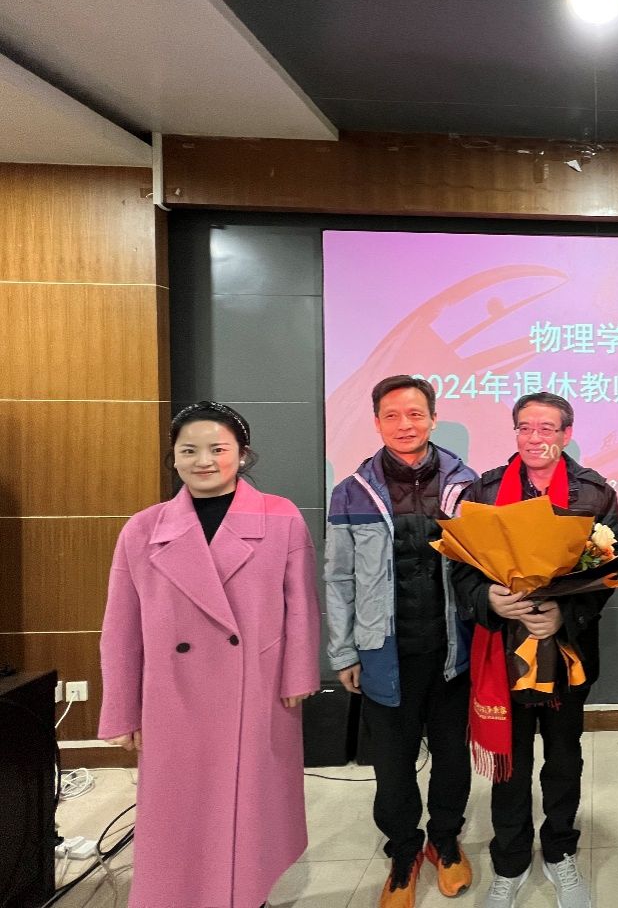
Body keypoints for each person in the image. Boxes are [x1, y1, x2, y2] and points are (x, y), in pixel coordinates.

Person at [99, 401, 320, 908]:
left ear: (242, 454)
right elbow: (121, 627)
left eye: (218, 449)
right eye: (189, 450)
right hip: (173, 697)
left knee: (251, 811)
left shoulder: (280, 516)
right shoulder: (142, 528)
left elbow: (301, 605)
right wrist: (121, 710)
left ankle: (246, 896)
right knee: (178, 812)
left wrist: (299, 674)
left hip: (258, 689)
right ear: (173, 457)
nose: (204, 461)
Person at [451, 393, 618, 908]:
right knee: (511, 762)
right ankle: (510, 861)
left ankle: (561, 851)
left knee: (564, 759)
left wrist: (564, 615)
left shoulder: (595, 492)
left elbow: (606, 574)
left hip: (567, 655)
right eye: (525, 428)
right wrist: (489, 599)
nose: (535, 438)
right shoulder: (482, 491)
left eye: (547, 429)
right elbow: (460, 568)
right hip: (503, 653)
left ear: (566, 434)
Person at [325, 375, 478, 906]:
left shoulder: (467, 485)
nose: (404, 425)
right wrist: (344, 651)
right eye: (392, 415)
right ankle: (404, 851)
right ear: (376, 423)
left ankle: (444, 841)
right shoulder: (351, 491)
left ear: (433, 418)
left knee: (453, 758)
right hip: (383, 652)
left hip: (453, 651)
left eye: (415, 414)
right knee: (392, 765)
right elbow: (338, 578)